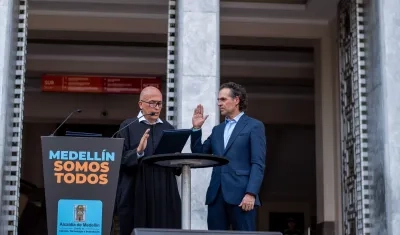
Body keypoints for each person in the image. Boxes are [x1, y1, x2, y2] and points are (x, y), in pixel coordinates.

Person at [191, 82, 266, 231]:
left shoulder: (254, 126)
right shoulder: (217, 130)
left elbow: (258, 163)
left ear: (237, 100)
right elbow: (199, 153)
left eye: (223, 99)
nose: (219, 104)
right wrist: (196, 129)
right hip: (216, 196)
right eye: (218, 100)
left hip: (242, 196)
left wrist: (251, 193)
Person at [115, 86, 181, 235]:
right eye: (152, 103)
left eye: (159, 104)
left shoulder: (168, 128)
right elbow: (120, 159)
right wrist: (138, 152)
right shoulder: (128, 126)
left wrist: (177, 158)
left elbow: (175, 166)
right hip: (136, 190)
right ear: (140, 104)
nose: (156, 108)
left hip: (163, 191)